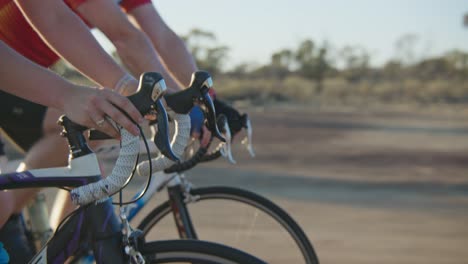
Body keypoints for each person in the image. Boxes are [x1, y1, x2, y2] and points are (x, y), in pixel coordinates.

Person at [0, 40, 144, 263]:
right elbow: (124, 36)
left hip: (25, 71)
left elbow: (57, 19)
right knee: (4, 204)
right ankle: (12, 217)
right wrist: (69, 94)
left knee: (94, 167)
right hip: (12, 73)